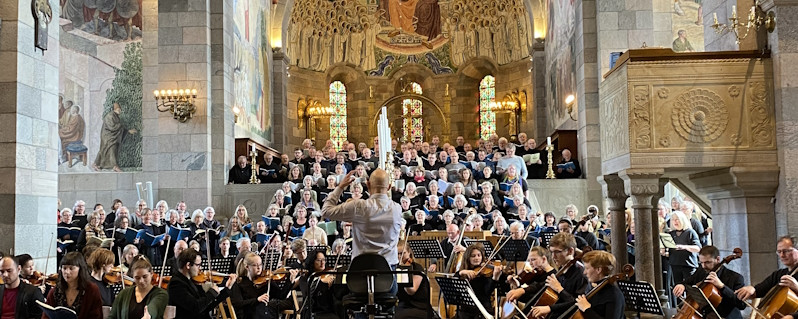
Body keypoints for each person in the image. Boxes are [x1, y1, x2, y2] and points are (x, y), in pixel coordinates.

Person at [321, 169, 403, 272]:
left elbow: (326, 211)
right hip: (388, 271)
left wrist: (340, 187)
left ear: (368, 185)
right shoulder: (397, 209)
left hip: (360, 270)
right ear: (389, 187)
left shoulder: (358, 206)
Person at [672, 245, 746, 319]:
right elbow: (688, 282)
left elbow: (742, 304)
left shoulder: (735, 278)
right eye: (701, 262)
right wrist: (682, 285)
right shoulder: (701, 271)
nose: (703, 266)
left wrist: (722, 286)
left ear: (718, 259)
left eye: (707, 262)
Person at [527, 233, 588, 318]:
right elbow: (542, 286)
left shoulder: (582, 273)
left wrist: (559, 289)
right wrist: (522, 290)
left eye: (557, 252)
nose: (553, 256)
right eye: (551, 252)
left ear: (570, 251)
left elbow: (578, 303)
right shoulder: (561, 268)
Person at [168, 248, 236, 319]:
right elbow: (196, 307)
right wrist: (212, 292)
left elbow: (206, 307)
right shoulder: (176, 284)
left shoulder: (192, 281)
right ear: (188, 265)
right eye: (198, 265)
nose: (200, 268)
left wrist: (227, 288)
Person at [230, 252, 298, 319]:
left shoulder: (266, 281)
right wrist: (257, 300)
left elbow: (281, 296)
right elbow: (238, 304)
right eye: (255, 265)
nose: (259, 268)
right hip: (249, 315)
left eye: (260, 264)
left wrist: (290, 281)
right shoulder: (240, 283)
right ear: (247, 267)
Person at [736, 236, 798, 305]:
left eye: (786, 251)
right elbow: (759, 290)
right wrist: (751, 289)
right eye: (779, 252)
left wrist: (797, 287)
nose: (782, 255)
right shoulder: (778, 274)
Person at [43, 252, 103, 319]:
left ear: (80, 269)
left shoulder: (92, 290)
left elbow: (97, 316)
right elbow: (46, 315)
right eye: (64, 268)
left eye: (71, 268)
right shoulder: (55, 291)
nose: (67, 272)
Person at [455, 243, 504, 319]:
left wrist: (495, 278)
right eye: (473, 256)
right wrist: (461, 272)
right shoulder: (463, 272)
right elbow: (454, 282)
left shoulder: (485, 273)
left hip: (482, 310)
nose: (477, 258)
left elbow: (487, 292)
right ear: (467, 258)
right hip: (465, 311)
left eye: (479, 255)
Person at [572, 251, 626, 318]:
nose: (584, 272)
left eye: (587, 268)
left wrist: (587, 309)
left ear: (598, 270)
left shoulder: (614, 295)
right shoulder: (591, 287)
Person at [93, 102, 137, 172]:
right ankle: (114, 166)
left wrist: (127, 131)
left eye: (120, 109)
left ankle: (96, 164)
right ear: (115, 109)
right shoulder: (110, 116)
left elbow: (117, 128)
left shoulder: (116, 116)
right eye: (119, 109)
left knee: (105, 150)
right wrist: (122, 127)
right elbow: (112, 127)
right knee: (110, 149)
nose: (120, 111)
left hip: (112, 136)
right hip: (107, 136)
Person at [395, 242, 431, 319]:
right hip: (404, 305)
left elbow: (411, 291)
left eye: (403, 253)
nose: (399, 256)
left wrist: (403, 273)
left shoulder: (417, 268)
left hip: (419, 307)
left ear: (409, 253)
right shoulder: (395, 268)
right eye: (397, 254)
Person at [665, 211, 701, 284]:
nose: (675, 221)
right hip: (675, 264)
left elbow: (698, 248)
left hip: (688, 265)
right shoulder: (671, 234)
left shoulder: (690, 232)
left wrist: (684, 247)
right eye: (673, 219)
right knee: (677, 287)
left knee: (689, 286)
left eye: (677, 219)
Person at [299, 251, 337, 319]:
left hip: (328, 310)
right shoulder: (305, 278)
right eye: (319, 260)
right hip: (313, 310)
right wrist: (321, 282)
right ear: (312, 262)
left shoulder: (328, 276)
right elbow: (307, 293)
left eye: (324, 260)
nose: (322, 263)